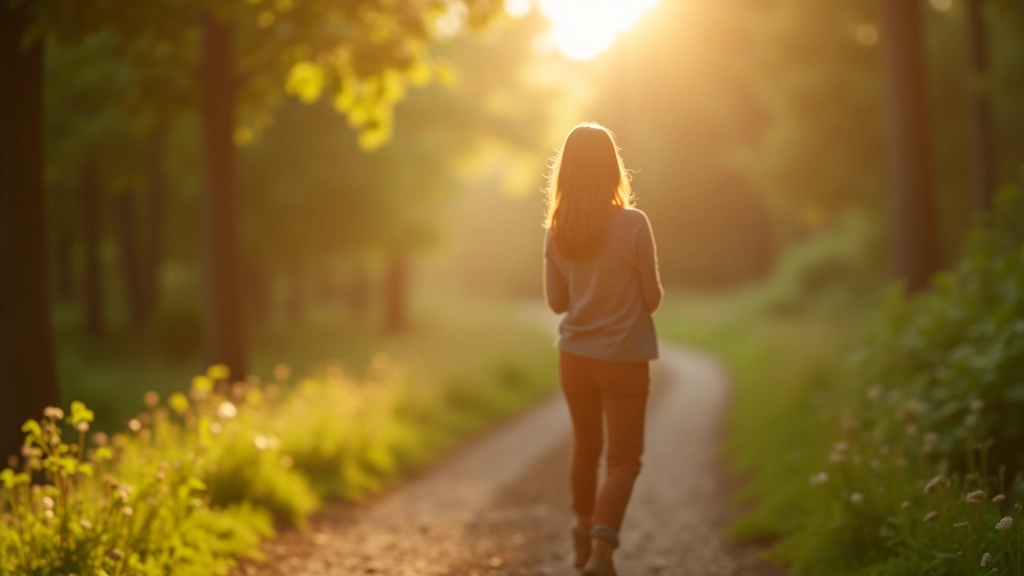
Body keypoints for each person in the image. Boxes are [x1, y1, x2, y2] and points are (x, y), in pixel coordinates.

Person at [542, 122, 663, 576]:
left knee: (586, 446)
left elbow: (557, 302)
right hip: (624, 357)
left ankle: (581, 534)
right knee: (624, 458)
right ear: (613, 168)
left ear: (567, 171)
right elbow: (651, 299)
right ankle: (601, 552)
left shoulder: (557, 228)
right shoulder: (634, 223)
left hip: (574, 357)